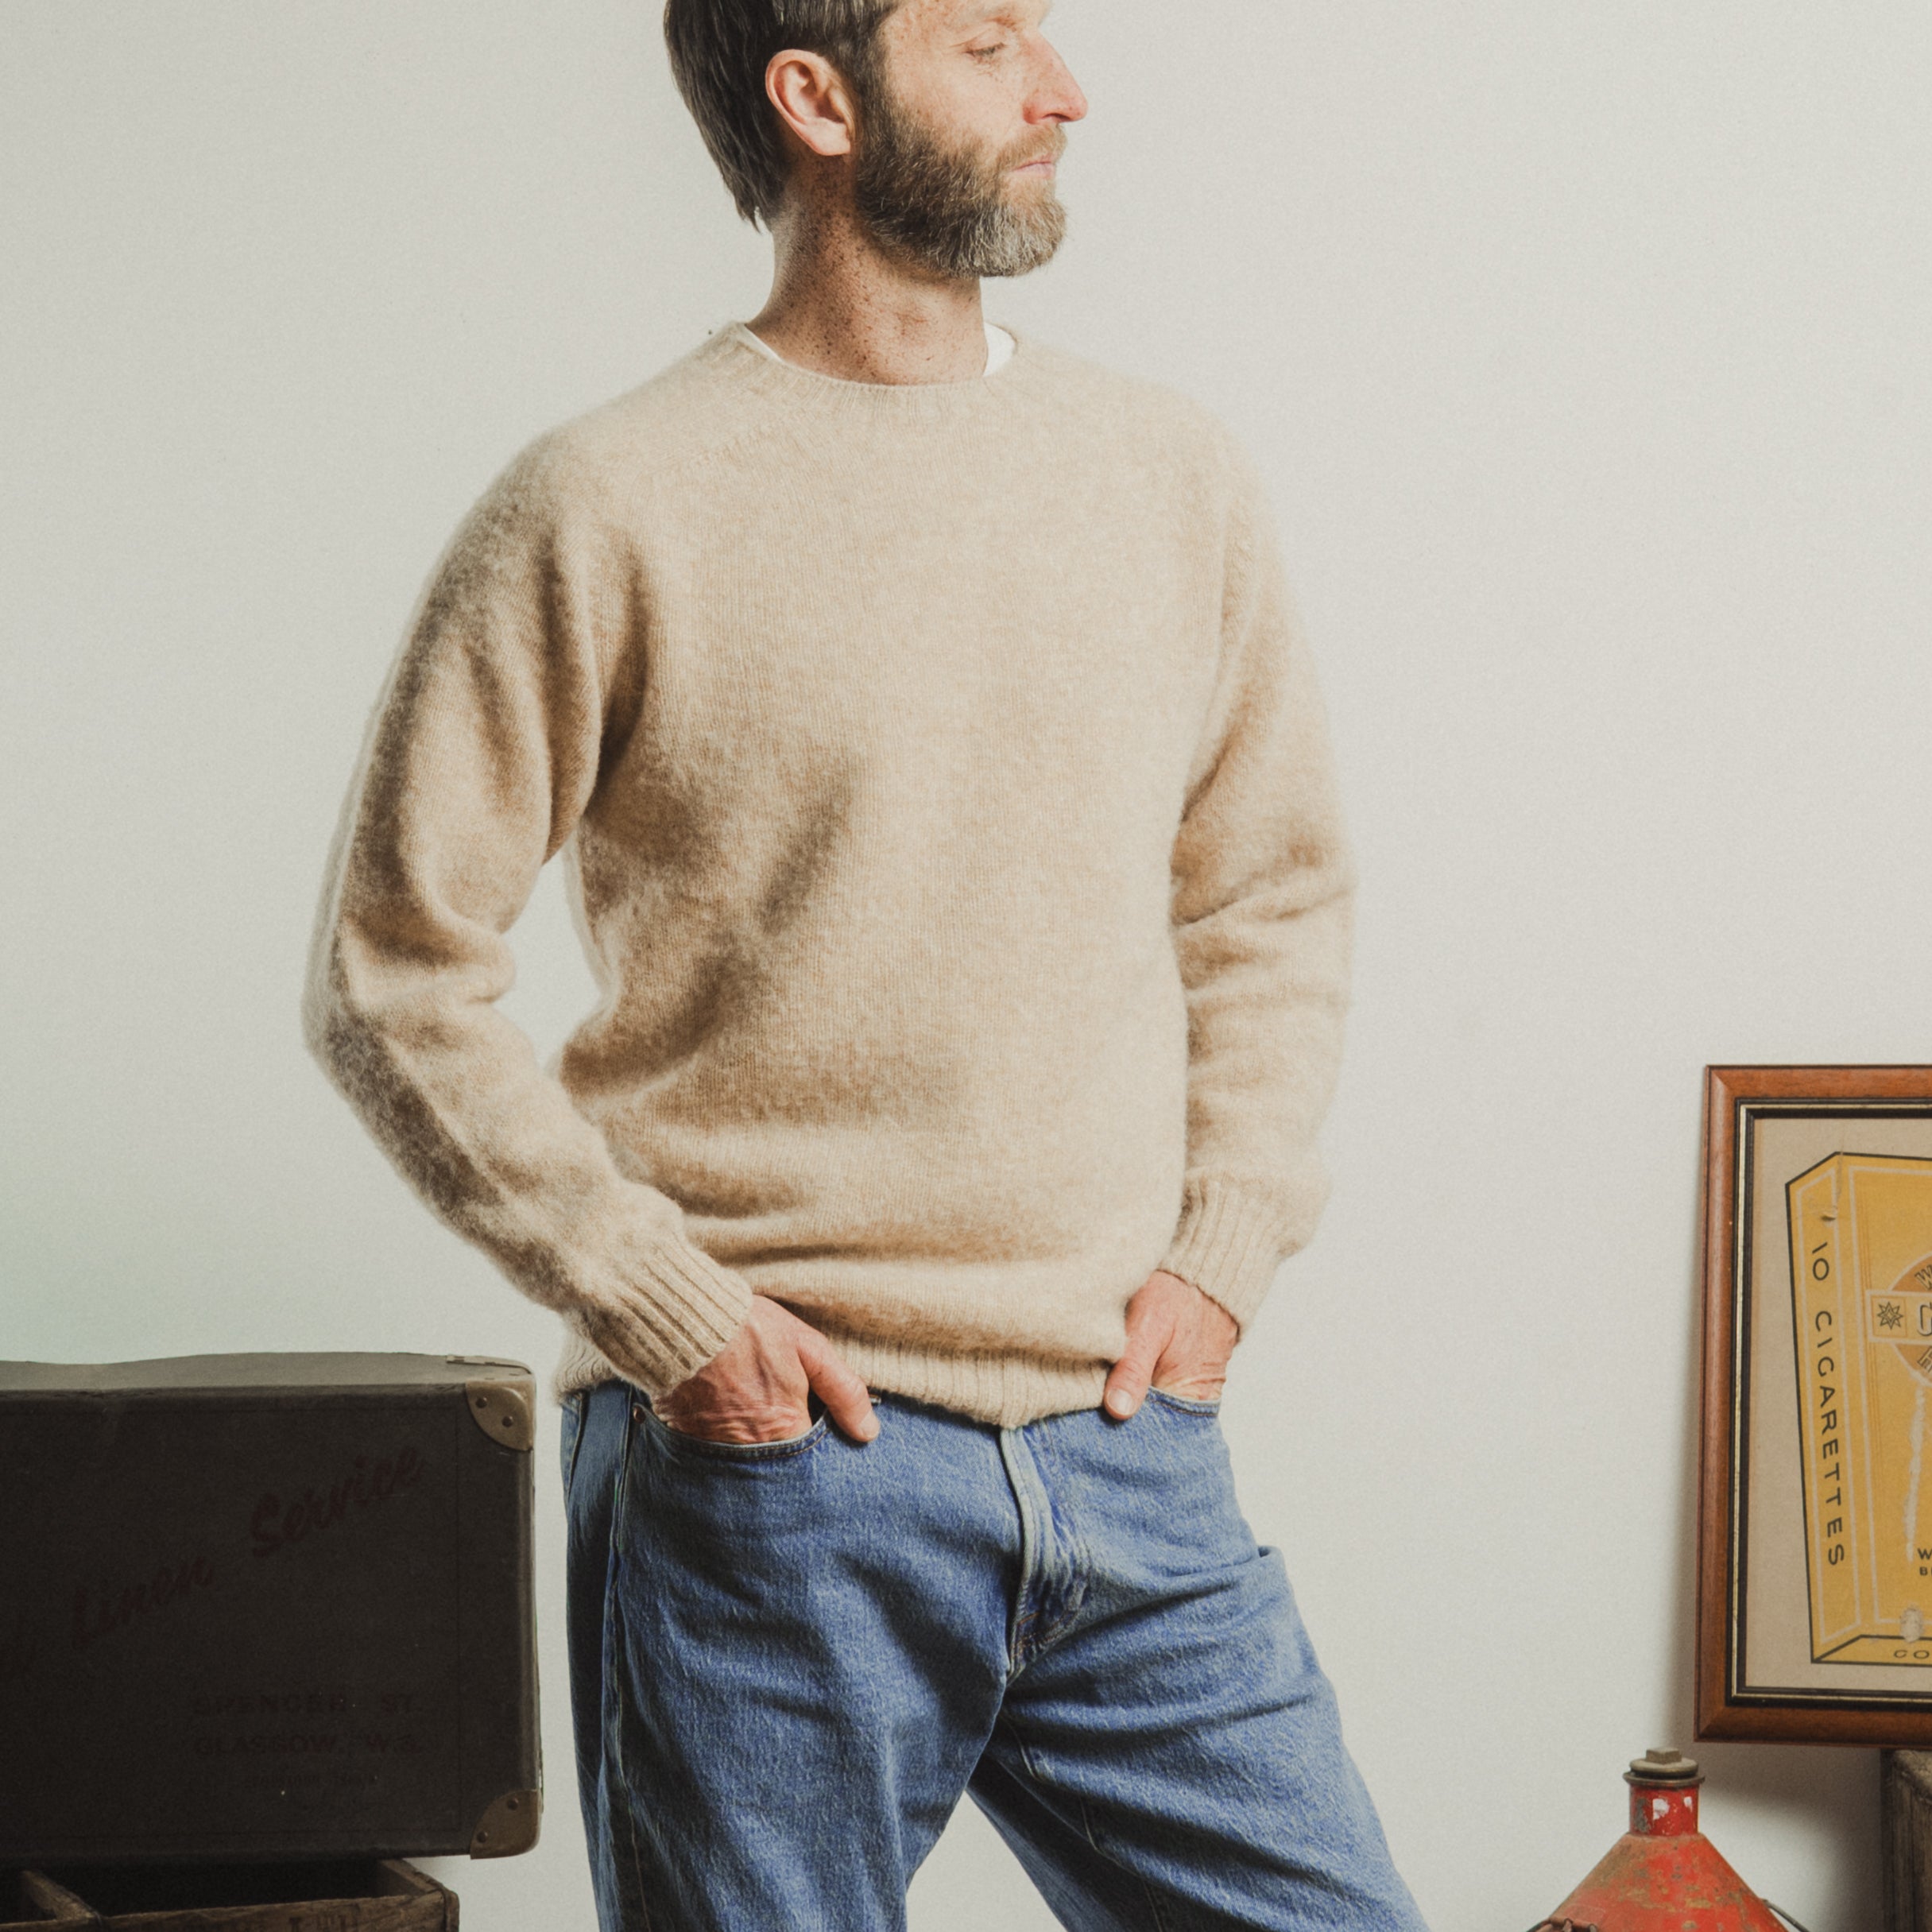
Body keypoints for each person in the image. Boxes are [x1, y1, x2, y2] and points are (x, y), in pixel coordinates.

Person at [304, 2, 1428, 1926]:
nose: (1064, 90)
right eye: (990, 44)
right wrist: (665, 1314)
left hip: (1127, 1445)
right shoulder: (606, 499)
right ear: (817, 101)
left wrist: (1226, 1241)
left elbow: (1269, 893)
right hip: (774, 1470)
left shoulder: (1170, 476)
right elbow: (393, 971)